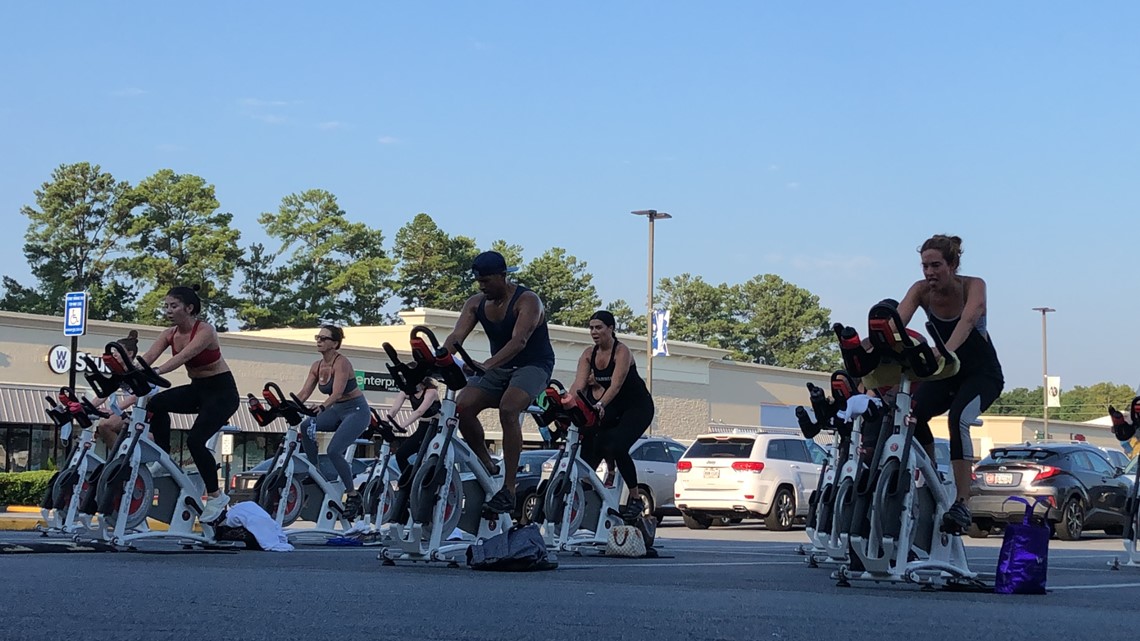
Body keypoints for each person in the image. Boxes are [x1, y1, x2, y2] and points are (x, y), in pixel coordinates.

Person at [897, 234, 1004, 533]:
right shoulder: (920, 291)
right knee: (912, 414)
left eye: (936, 265)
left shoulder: (974, 285)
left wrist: (943, 351)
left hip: (983, 375)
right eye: (924, 266)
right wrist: (868, 346)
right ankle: (932, 477)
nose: (929, 273)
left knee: (958, 419)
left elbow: (968, 321)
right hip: (947, 372)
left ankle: (963, 503)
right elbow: (896, 325)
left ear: (953, 264)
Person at [442, 250, 556, 514]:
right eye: (479, 282)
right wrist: (438, 359)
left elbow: (519, 342)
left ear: (503, 276)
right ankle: (487, 463)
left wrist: (487, 365)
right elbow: (456, 337)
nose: (482, 287)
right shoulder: (475, 303)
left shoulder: (528, 301)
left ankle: (509, 488)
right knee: (463, 406)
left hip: (534, 365)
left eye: (487, 281)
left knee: (509, 407)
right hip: (499, 366)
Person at [140, 285, 240, 524]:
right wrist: (127, 371)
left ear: (189, 308)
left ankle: (216, 496)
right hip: (198, 390)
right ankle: (163, 459)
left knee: (195, 441)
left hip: (222, 393)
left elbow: (183, 357)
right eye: (166, 306)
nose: (168, 311)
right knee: (156, 403)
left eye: (173, 306)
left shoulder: (205, 330)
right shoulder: (169, 334)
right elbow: (147, 358)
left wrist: (156, 372)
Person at [569, 310, 656, 520]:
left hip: (637, 406)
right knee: (590, 438)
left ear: (611, 329)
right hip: (612, 406)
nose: (594, 332)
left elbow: (616, 386)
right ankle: (588, 492)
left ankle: (635, 498)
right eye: (591, 328)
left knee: (617, 446)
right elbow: (578, 387)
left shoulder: (621, 352)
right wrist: (565, 403)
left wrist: (599, 405)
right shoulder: (588, 354)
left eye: (599, 327)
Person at [293, 325, 372, 520]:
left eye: (324, 338)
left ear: (335, 343)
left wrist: (322, 407)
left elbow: (337, 393)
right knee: (306, 425)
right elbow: (304, 393)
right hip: (336, 410)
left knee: (334, 450)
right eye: (317, 337)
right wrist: (289, 405)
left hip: (356, 410)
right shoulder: (316, 365)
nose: (319, 341)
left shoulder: (341, 363)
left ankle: (352, 494)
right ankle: (315, 472)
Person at [93, 330, 146, 449]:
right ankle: (119, 458)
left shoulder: (138, 372)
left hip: (151, 416)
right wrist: (88, 407)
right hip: (137, 413)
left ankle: (120, 458)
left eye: (118, 351)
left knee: (106, 424)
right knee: (104, 426)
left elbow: (135, 397)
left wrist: (112, 411)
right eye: (114, 351)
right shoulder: (118, 373)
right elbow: (105, 393)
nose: (114, 355)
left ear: (130, 353)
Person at [387, 377, 442, 473]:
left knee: (423, 455)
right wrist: (383, 422)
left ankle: (420, 479)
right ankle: (409, 481)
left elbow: (419, 412)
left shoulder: (431, 392)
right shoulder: (406, 392)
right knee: (400, 454)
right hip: (422, 426)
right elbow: (394, 410)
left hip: (435, 427)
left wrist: (402, 426)